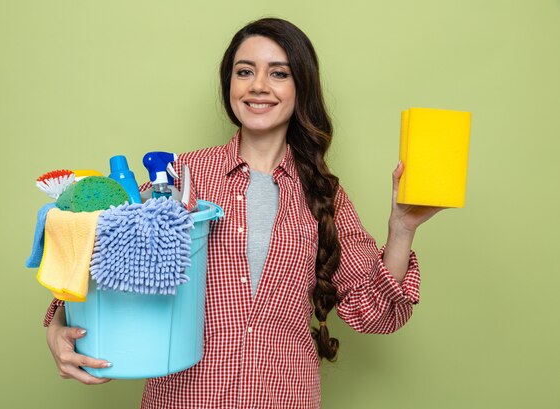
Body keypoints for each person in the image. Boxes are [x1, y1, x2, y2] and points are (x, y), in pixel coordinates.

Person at [44, 17, 443, 408]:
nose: (258, 86)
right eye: (245, 71)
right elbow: (108, 259)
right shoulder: (180, 178)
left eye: (279, 74)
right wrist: (59, 328)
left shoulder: (326, 196)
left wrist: (402, 229)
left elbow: (375, 313)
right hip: (184, 400)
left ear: (301, 87)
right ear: (229, 84)